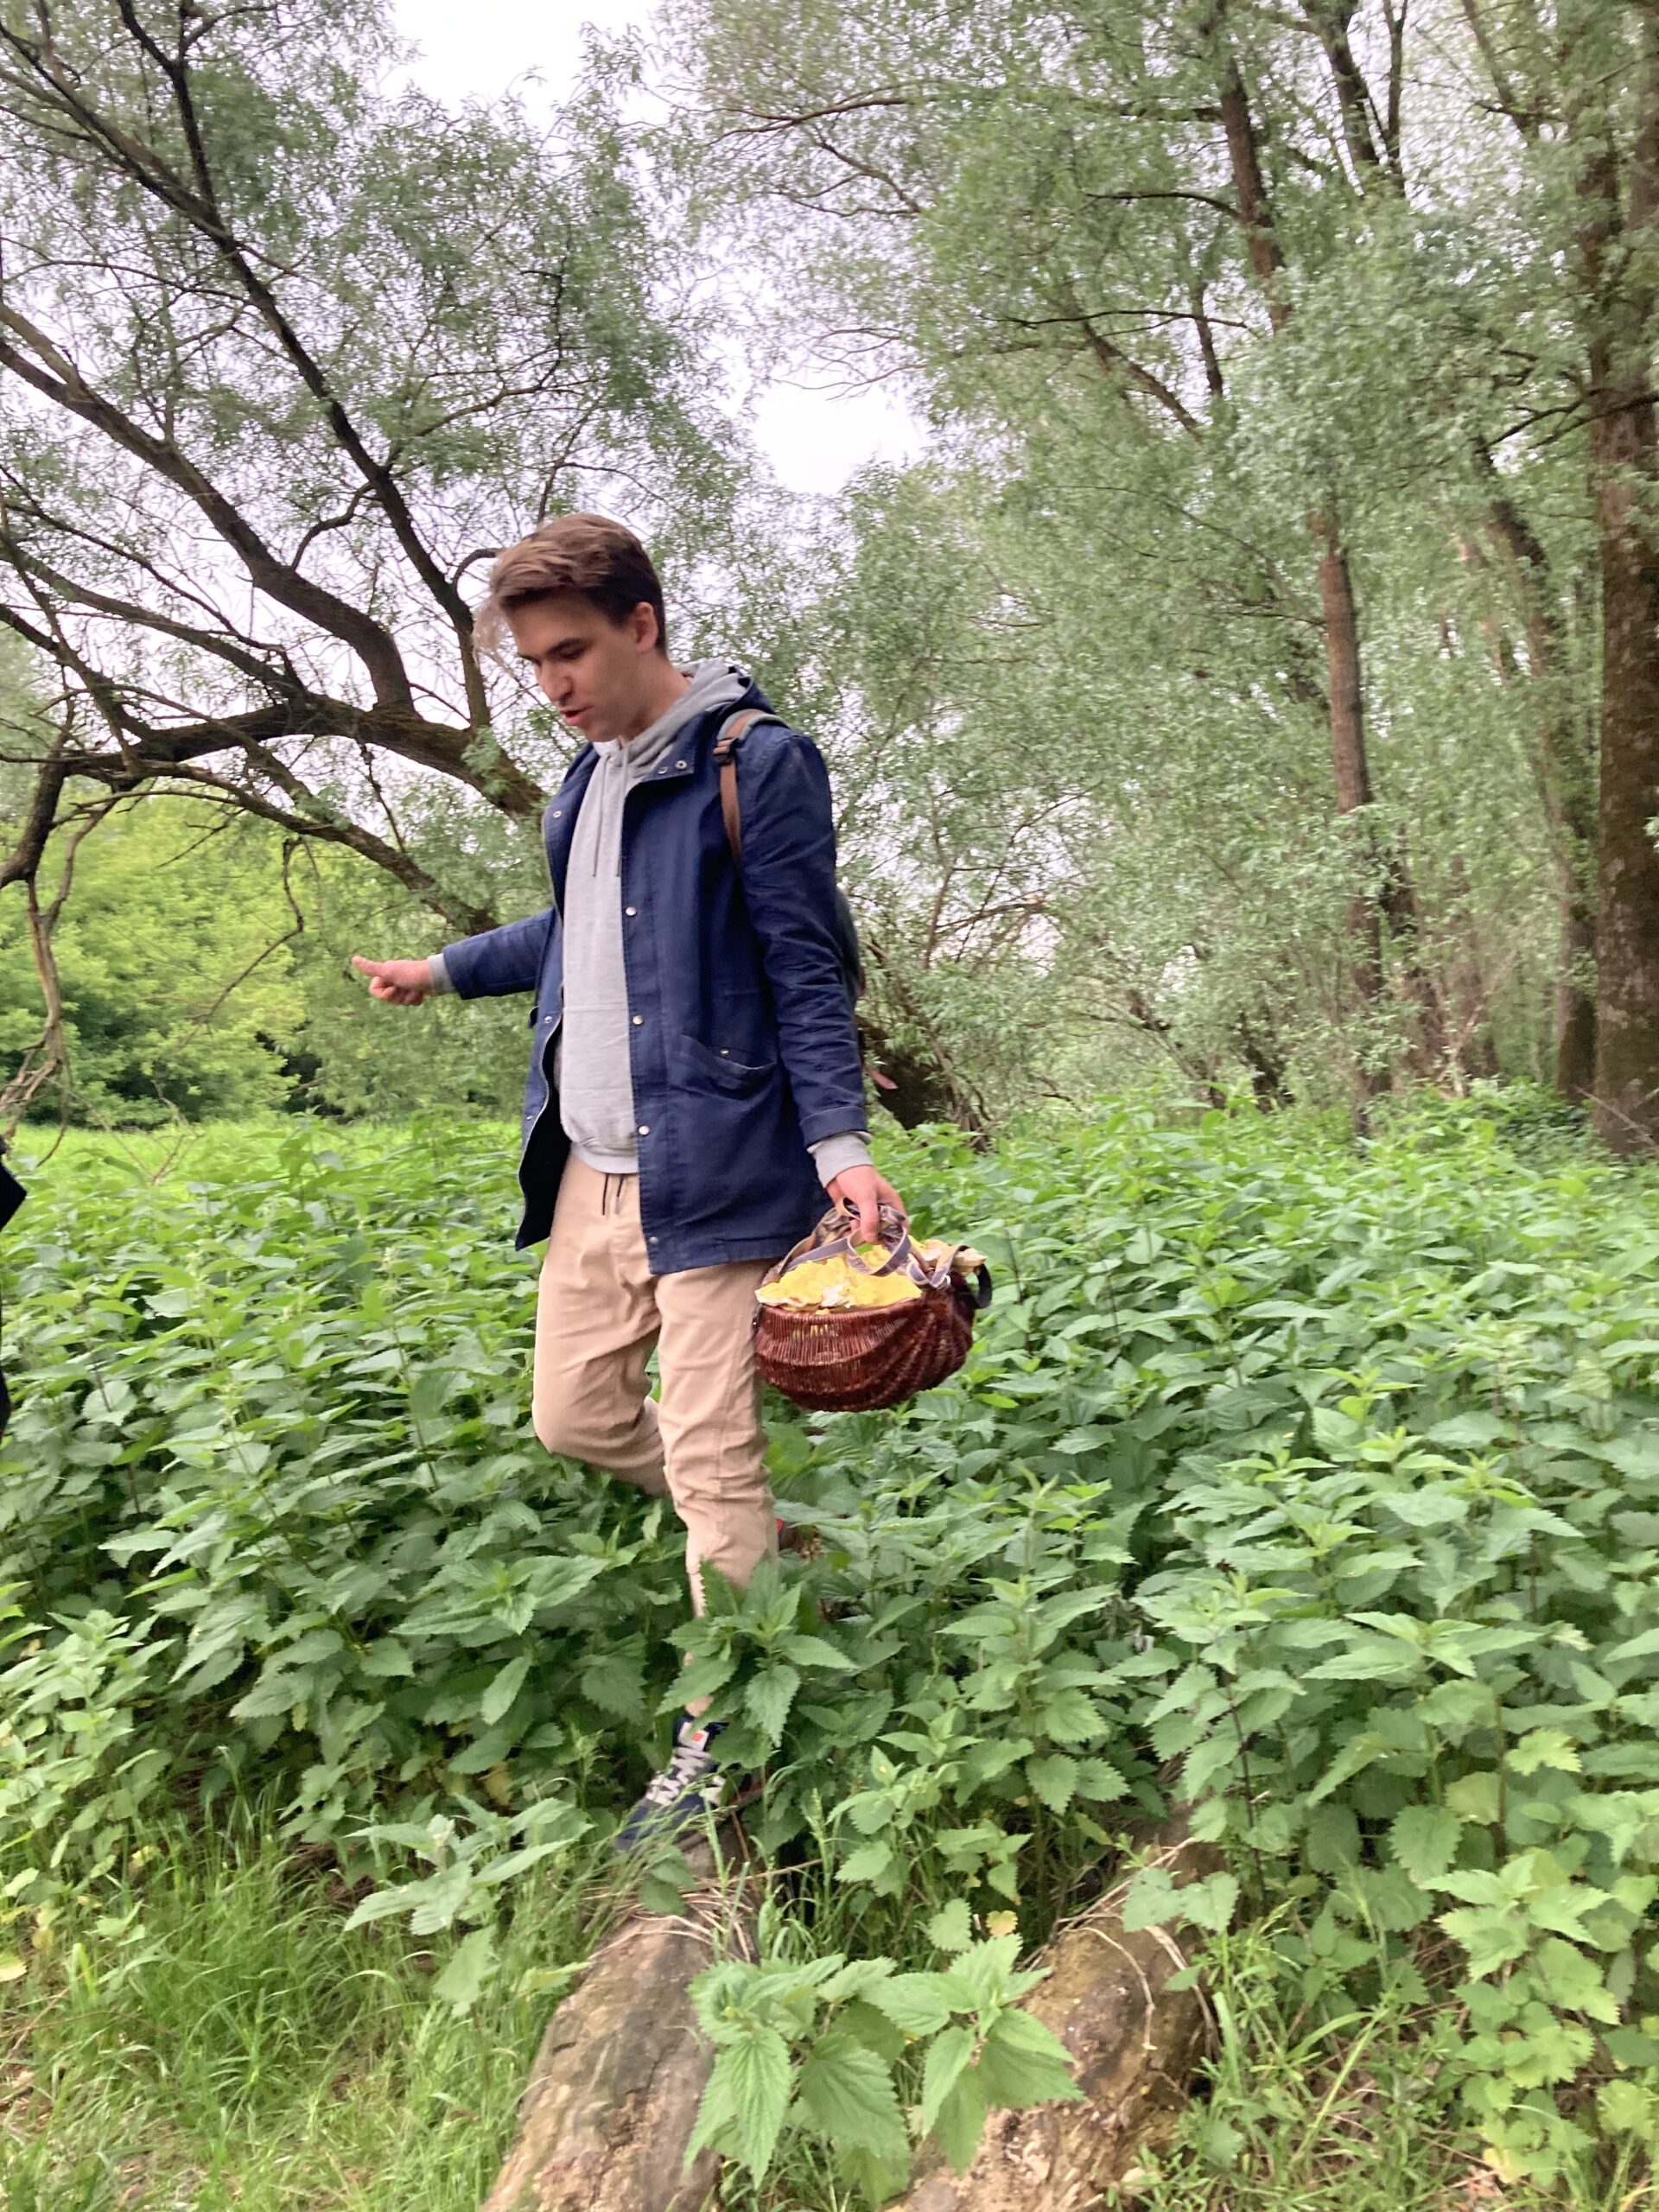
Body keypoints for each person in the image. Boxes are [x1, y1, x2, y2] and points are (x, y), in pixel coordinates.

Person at [353, 512, 905, 1849]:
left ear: (642, 626)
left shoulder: (755, 764)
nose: (555, 687)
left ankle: (728, 1745)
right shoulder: (585, 781)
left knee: (712, 1464)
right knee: (573, 1418)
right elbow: (575, 928)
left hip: (718, 1173)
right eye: (536, 664)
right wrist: (446, 968)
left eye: (572, 654)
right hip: (591, 1174)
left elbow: (804, 964)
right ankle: (771, 1561)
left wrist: (842, 1150)